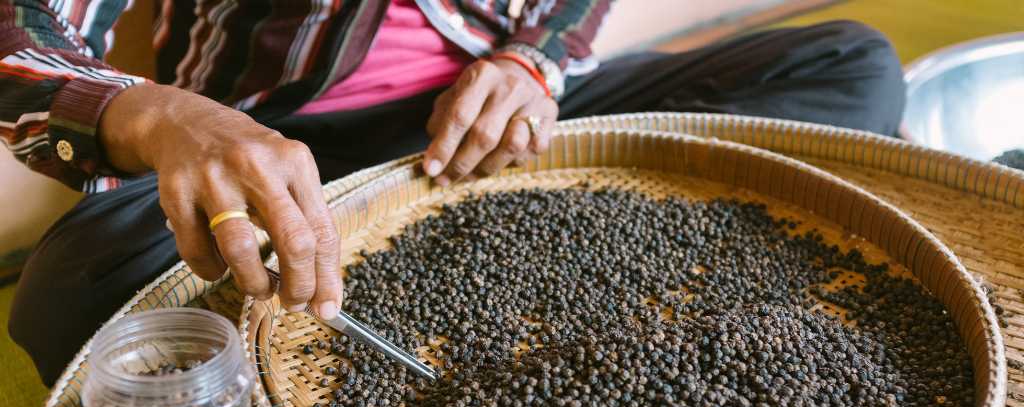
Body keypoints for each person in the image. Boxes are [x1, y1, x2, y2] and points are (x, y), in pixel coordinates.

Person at [1, 0, 905, 386]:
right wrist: (161, 117)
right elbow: (17, 35)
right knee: (71, 287)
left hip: (487, 124)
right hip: (287, 139)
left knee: (847, 66)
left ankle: (552, 240)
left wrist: (534, 59)